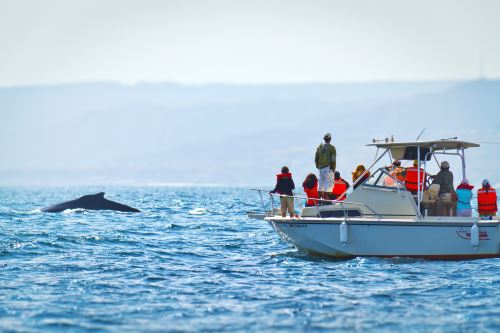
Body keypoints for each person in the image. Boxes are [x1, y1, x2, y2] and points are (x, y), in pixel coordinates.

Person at [315, 133, 336, 199]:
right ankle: (325, 201)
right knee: (328, 184)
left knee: (321, 184)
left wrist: (318, 166)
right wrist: (333, 168)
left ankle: (319, 201)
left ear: (324, 139)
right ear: (330, 139)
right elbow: (333, 159)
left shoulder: (319, 147)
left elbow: (316, 159)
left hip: (321, 168)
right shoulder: (332, 148)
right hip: (328, 168)